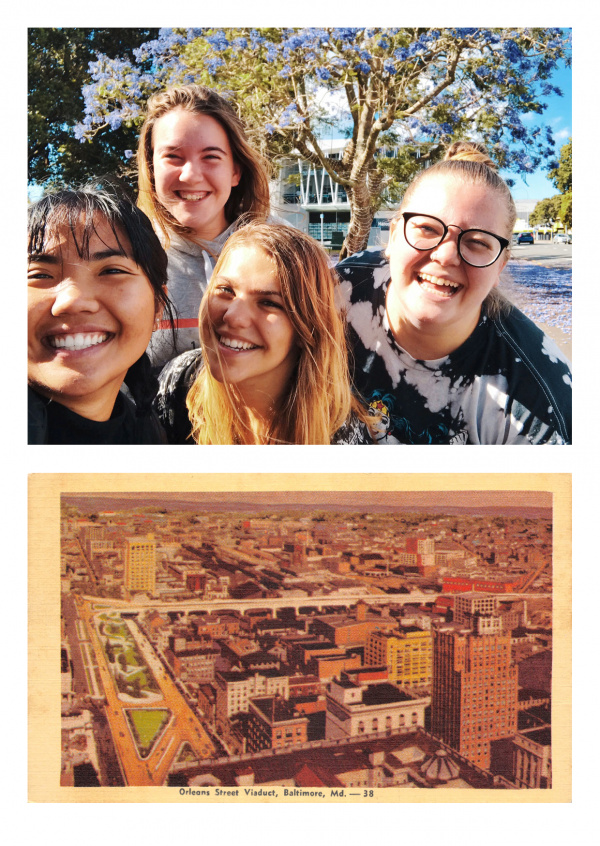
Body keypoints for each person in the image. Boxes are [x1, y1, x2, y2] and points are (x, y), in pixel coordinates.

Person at [336, 141, 572, 444]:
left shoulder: (538, 402)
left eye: (477, 241)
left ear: (500, 265)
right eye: (427, 229)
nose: (446, 256)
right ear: (394, 237)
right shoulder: (339, 290)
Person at [155, 222, 372, 444]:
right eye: (225, 290)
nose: (233, 316)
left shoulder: (341, 438)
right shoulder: (177, 383)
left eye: (269, 302)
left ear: (307, 328)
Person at [137, 84, 271, 368]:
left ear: (235, 171)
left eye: (211, 157)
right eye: (173, 157)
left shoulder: (283, 254)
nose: (191, 175)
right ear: (151, 168)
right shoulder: (126, 258)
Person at [28, 186, 174, 444]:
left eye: (111, 271)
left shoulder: (149, 433)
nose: (72, 301)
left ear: (158, 306)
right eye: (40, 275)